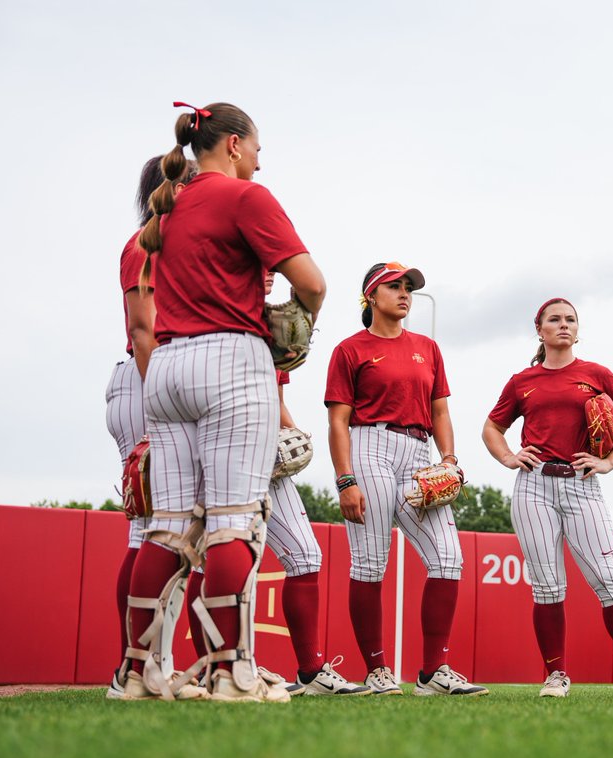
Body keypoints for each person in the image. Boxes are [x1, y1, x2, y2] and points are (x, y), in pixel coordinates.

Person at [122, 100, 326, 703]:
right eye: (257, 150)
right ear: (233, 144)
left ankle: (137, 674)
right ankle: (231, 672)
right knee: (233, 523)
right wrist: (300, 327)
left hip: (166, 366)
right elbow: (312, 283)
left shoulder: (163, 208)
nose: (260, 164)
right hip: (230, 359)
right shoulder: (245, 197)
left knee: (167, 529)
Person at [181, 272, 369, 697]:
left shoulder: (271, 322)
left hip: (265, 455)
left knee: (305, 555)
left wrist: (294, 433)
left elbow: (276, 400)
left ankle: (311, 671)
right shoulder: (215, 313)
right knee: (207, 559)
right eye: (258, 268)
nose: (267, 275)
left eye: (271, 269)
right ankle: (213, 667)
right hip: (222, 446)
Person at [481, 298, 613, 699]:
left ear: (577, 329)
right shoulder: (522, 380)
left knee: (611, 581)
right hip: (533, 485)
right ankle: (556, 676)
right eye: (555, 319)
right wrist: (508, 457)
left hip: (582, 481)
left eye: (570, 319)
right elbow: (491, 427)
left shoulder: (595, 373)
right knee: (548, 586)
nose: (563, 325)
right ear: (541, 330)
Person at [325, 263, 487, 696]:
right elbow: (338, 422)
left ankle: (433, 673)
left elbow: (440, 412)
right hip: (369, 447)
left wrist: (448, 458)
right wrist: (345, 480)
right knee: (370, 563)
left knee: (448, 558)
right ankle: (377, 670)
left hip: (419, 454)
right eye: (393, 286)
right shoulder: (349, 349)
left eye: (407, 287)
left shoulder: (427, 347)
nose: (403, 293)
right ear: (370, 297)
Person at [104, 155, 194, 700]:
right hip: (146, 381)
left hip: (162, 380)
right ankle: (136, 668)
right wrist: (159, 414)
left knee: (170, 531)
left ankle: (151, 663)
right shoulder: (145, 243)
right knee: (153, 528)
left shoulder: (183, 248)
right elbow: (144, 331)